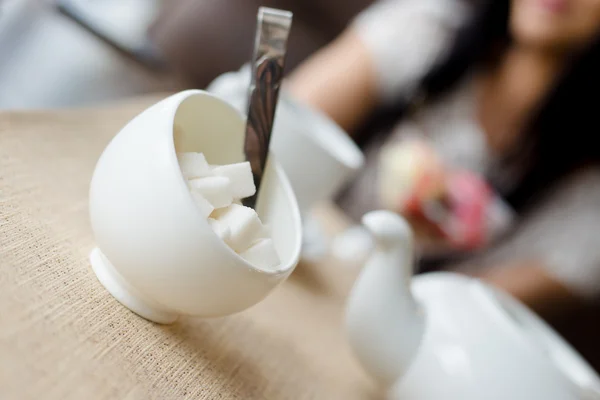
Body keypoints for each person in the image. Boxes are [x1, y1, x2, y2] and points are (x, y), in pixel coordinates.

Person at [285, 0, 600, 320]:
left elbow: (453, 317)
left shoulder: (587, 208)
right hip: (290, 264)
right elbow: (273, 134)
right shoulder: (427, 29)